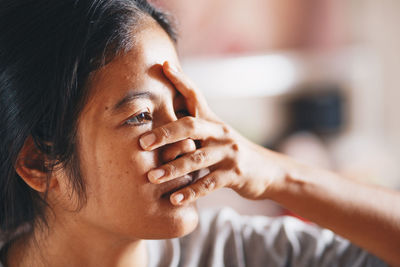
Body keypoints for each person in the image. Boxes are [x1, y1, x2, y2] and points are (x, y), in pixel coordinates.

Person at [0, 0, 398, 266]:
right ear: (38, 161)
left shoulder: (235, 252)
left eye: (183, 108)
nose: (186, 140)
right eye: (140, 116)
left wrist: (278, 175)